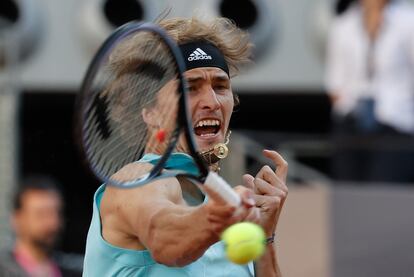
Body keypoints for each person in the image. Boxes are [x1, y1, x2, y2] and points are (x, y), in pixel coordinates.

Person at [83, 17, 288, 277]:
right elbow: (164, 240)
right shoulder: (135, 182)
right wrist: (217, 216)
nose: (212, 101)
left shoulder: (224, 211)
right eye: (190, 88)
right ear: (149, 111)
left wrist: (264, 238)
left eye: (220, 86)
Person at [325, 0, 414, 182]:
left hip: (396, 123)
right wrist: (346, 108)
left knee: (385, 191)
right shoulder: (343, 25)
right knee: (348, 191)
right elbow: (334, 82)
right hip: (351, 122)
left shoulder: (408, 21)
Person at [0, 175, 81, 277]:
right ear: (17, 219)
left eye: (56, 213)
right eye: (41, 214)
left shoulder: (75, 270)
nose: (52, 223)